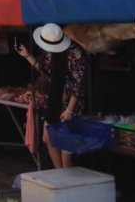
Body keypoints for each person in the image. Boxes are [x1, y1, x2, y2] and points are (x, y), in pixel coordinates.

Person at [16, 23, 85, 169]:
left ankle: (67, 178)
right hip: (53, 99)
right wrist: (27, 55)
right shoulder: (50, 53)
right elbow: (44, 70)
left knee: (65, 145)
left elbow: (77, 84)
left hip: (68, 103)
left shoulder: (75, 53)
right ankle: (59, 172)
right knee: (48, 138)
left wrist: (70, 110)